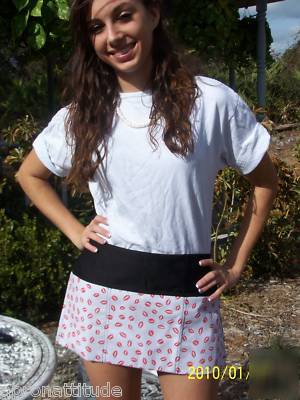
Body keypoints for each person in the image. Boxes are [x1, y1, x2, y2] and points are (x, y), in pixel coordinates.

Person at [16, 0, 279, 399]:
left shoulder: (211, 102)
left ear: (153, 14)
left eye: (124, 15)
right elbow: (29, 174)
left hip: (188, 295)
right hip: (105, 295)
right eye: (96, 27)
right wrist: (74, 229)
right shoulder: (82, 114)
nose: (113, 35)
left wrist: (236, 266)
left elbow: (265, 182)